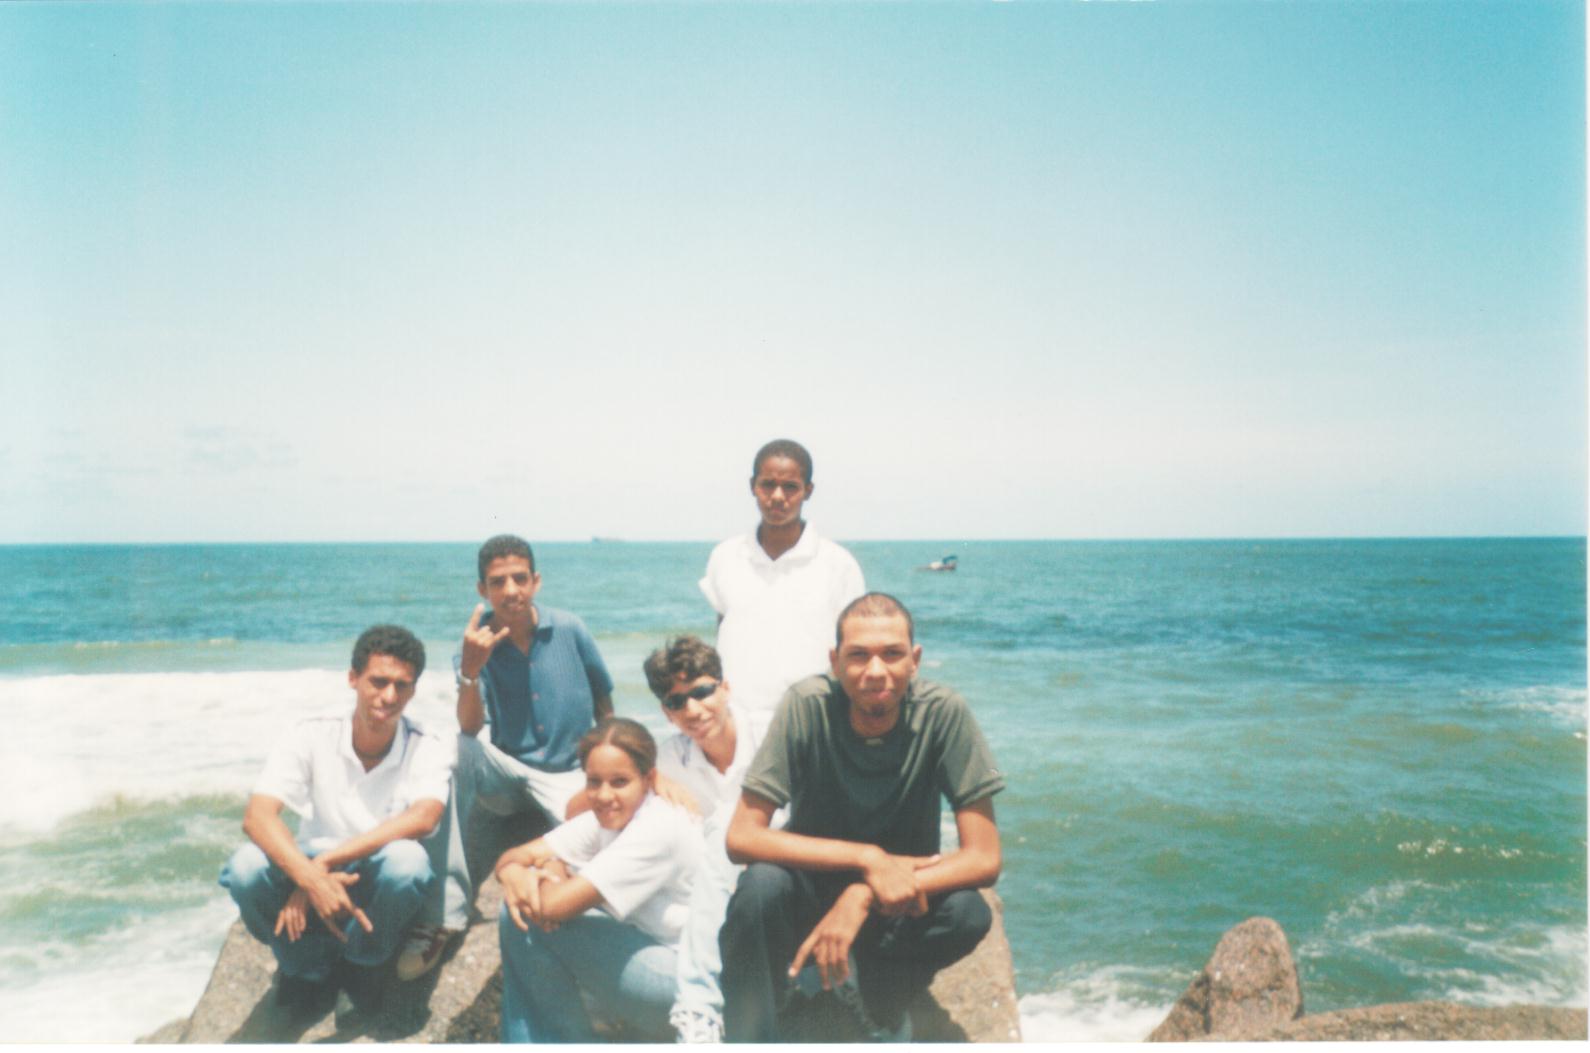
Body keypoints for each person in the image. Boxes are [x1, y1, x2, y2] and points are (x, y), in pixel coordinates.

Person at [719, 593, 1004, 1042]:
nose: (875, 671)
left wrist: (864, 892)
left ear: (914, 660)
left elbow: (984, 858)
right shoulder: (807, 705)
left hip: (898, 898)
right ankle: (753, 1033)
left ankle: (876, 1002)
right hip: (812, 889)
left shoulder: (943, 713)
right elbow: (742, 837)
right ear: (835, 662)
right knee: (760, 888)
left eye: (892, 654)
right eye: (858, 656)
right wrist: (867, 857)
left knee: (967, 912)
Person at [398, 534, 614, 981]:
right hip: (510, 774)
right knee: (456, 749)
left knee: (603, 839)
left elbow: (603, 700)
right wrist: (470, 672)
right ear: (483, 590)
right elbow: (470, 727)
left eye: (519, 578)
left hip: (570, 776)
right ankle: (444, 914)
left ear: (536, 581)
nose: (511, 590)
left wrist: (608, 767)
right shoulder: (474, 646)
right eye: (498, 582)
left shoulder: (569, 628)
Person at [218, 625, 451, 1019]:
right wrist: (310, 877)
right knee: (245, 868)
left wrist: (320, 869)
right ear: (353, 678)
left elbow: (425, 817)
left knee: (408, 865)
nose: (389, 696)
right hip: (313, 859)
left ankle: (364, 963)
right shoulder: (311, 732)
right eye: (378, 681)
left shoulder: (428, 743)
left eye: (402, 685)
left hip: (373, 869)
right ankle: (306, 967)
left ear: (413, 691)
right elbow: (258, 816)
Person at [496, 718, 702, 1043]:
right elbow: (515, 856)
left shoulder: (659, 827)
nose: (604, 795)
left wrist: (539, 876)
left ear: (649, 779)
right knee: (524, 901)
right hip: (654, 955)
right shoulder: (609, 816)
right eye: (594, 782)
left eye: (620, 782)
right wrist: (518, 872)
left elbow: (552, 906)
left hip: (686, 985)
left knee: (523, 913)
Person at [640, 636, 779, 1043]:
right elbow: (595, 798)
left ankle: (696, 1008)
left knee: (725, 822)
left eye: (702, 692)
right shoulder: (671, 759)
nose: (693, 709)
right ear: (666, 712)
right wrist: (652, 777)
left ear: (726, 688)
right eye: (677, 701)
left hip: (779, 869)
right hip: (722, 893)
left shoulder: (771, 732)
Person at [700, 439, 866, 719]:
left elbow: (853, 648)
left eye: (790, 486)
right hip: (736, 717)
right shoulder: (725, 556)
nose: (778, 496)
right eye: (768, 484)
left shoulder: (838, 565)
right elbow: (723, 630)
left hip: (812, 719)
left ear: (808, 491)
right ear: (752, 486)